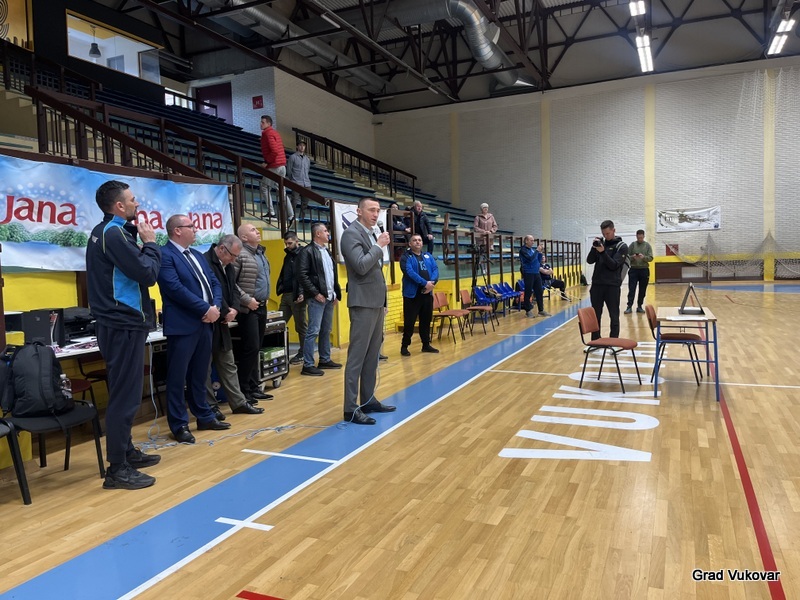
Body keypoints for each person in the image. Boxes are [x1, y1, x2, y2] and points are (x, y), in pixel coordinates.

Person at [87, 180, 161, 490]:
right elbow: (147, 273)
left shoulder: (110, 231)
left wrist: (140, 245)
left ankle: (126, 450)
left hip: (120, 323)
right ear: (119, 206)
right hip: (122, 323)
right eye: (131, 199)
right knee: (124, 396)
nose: (136, 203)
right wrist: (151, 243)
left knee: (125, 392)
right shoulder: (113, 233)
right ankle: (117, 468)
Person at [157, 215, 231, 444]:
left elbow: (215, 283)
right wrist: (205, 308)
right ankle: (179, 424)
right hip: (183, 325)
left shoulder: (197, 255)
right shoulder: (164, 255)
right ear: (177, 230)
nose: (196, 229)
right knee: (178, 377)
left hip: (206, 323)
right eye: (191, 226)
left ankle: (204, 416)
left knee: (200, 374)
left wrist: (215, 307)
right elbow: (174, 288)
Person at [340, 197, 396, 425]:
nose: (375, 214)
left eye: (378, 210)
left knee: (372, 356)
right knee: (357, 357)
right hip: (362, 303)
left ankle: (368, 399)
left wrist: (383, 301)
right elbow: (361, 266)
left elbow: (376, 271)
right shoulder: (351, 234)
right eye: (371, 210)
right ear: (359, 211)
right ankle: (350, 408)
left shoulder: (371, 234)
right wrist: (378, 246)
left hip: (375, 302)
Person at [202, 235, 264, 418]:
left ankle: (238, 402)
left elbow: (234, 289)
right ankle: (211, 406)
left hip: (223, 322)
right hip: (208, 321)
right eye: (233, 255)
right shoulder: (205, 262)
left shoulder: (228, 265)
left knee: (228, 363)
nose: (234, 260)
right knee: (205, 367)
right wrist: (224, 311)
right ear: (222, 248)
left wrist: (235, 309)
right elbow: (209, 292)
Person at [234, 223, 273, 403]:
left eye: (257, 230)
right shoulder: (240, 255)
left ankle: (254, 386)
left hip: (261, 306)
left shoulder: (261, 253)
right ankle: (244, 390)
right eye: (252, 230)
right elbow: (231, 283)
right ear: (243, 237)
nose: (257, 232)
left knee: (256, 348)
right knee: (250, 348)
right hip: (248, 309)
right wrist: (246, 300)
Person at [297, 222, 342, 376]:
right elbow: (302, 275)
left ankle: (325, 359)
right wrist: (315, 293)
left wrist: (335, 293)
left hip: (329, 297)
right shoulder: (307, 251)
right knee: (313, 331)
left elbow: (332, 275)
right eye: (325, 231)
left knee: (326, 330)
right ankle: (308, 364)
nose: (328, 233)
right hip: (317, 298)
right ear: (318, 234)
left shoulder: (327, 251)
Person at [587, 219, 629, 340]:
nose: (606, 236)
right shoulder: (601, 244)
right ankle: (595, 340)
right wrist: (594, 247)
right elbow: (589, 261)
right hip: (597, 285)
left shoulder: (621, 246)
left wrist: (603, 252)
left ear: (614, 230)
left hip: (612, 286)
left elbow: (614, 265)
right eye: (603, 234)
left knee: (614, 315)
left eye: (608, 233)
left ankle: (614, 341)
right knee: (596, 315)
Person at [399, 234, 439, 356]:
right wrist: (425, 283)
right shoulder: (406, 257)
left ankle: (426, 344)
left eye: (419, 240)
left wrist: (432, 283)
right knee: (409, 322)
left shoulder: (428, 256)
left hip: (427, 294)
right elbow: (409, 272)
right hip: (412, 295)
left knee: (426, 320)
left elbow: (435, 269)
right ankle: (404, 346)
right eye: (415, 240)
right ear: (410, 244)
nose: (417, 242)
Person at [276, 231, 307, 365]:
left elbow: (304, 275)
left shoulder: (303, 254)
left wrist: (302, 292)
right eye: (286, 243)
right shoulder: (287, 256)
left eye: (290, 243)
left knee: (301, 326)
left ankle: (304, 353)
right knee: (278, 323)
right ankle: (278, 353)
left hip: (297, 295)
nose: (287, 246)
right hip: (286, 294)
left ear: (297, 241)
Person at [259, 115, 289, 221]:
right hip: (282, 165)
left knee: (264, 187)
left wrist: (266, 162)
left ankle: (272, 213)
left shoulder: (268, 134)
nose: (260, 124)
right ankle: (291, 215)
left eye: (263, 122)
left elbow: (274, 151)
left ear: (268, 123)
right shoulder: (274, 133)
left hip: (274, 165)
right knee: (281, 190)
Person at [519, 235, 550, 318]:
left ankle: (541, 310)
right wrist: (537, 251)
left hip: (536, 273)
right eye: (531, 240)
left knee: (539, 291)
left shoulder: (532, 250)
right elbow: (530, 259)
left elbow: (538, 260)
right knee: (528, 291)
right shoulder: (523, 250)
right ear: (526, 241)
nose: (533, 242)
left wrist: (540, 252)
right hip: (528, 273)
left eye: (533, 240)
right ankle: (528, 310)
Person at [625, 229, 653, 314]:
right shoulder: (632, 245)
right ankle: (629, 306)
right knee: (631, 289)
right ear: (636, 236)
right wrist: (633, 257)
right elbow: (626, 257)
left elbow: (651, 258)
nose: (640, 239)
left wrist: (643, 257)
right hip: (633, 270)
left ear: (644, 236)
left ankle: (639, 306)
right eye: (638, 238)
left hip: (644, 270)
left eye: (641, 237)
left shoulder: (647, 246)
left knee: (642, 290)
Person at [285, 140, 312, 223]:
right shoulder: (293, 157)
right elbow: (289, 170)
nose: (302, 147)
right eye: (300, 145)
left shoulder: (307, 159)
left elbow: (307, 170)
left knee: (305, 202)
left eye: (303, 146)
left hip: (306, 183)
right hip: (296, 182)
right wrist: (292, 180)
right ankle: (291, 217)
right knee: (294, 201)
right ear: (297, 146)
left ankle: (302, 217)